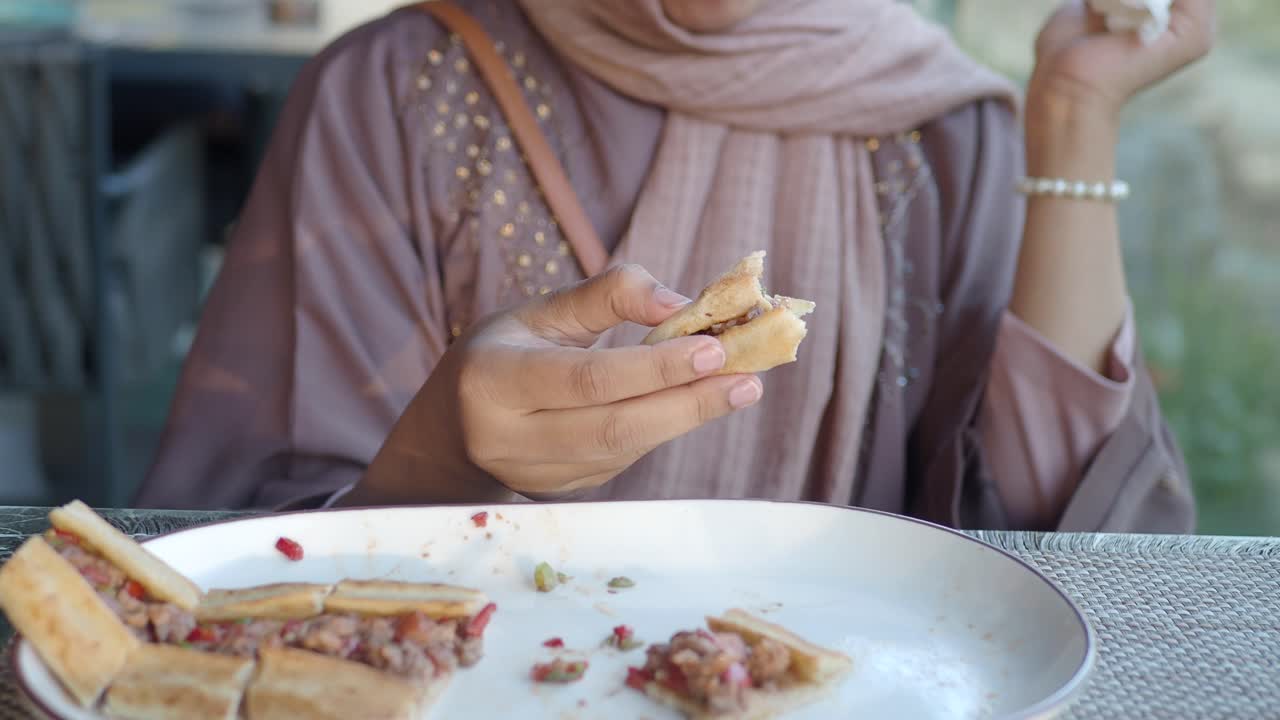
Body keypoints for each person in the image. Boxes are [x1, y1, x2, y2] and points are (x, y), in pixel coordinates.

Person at [135, 0, 1214, 532]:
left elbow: (1051, 550)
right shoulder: (396, 91)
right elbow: (232, 568)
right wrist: (436, 461)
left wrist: (1072, 119)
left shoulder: (943, 137)